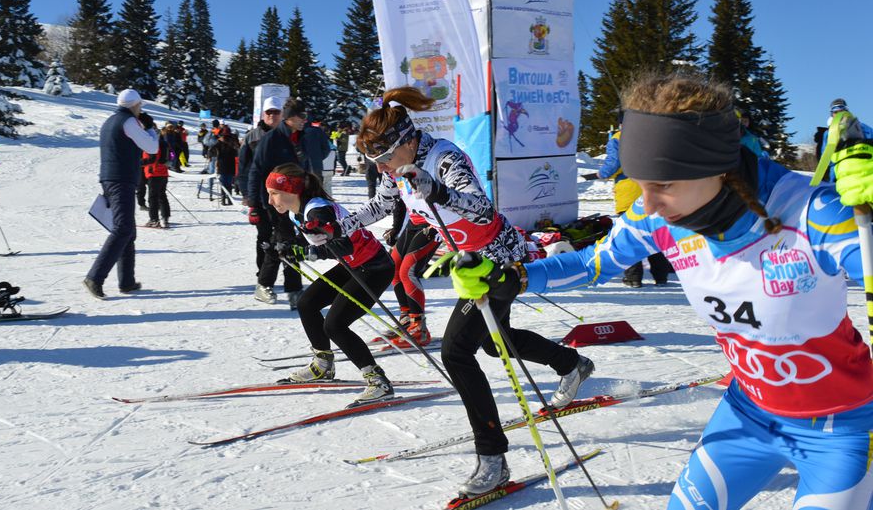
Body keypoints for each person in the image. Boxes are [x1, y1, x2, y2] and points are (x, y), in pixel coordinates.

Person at [451, 73, 873, 508]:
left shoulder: (813, 214)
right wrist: (513, 278)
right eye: (641, 182)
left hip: (841, 430)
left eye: (664, 185)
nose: (647, 204)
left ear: (718, 168)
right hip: (747, 415)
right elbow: (592, 262)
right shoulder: (657, 218)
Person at [339, 86, 594, 496]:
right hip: (470, 264)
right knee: (494, 343)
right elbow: (381, 206)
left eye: (386, 157)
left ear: (406, 140)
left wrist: (437, 190)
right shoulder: (394, 169)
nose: (384, 167)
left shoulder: (444, 158)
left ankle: (493, 458)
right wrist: (344, 224)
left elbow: (481, 208)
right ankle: (571, 364)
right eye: (377, 162)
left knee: (456, 352)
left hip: (496, 258)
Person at [266, 162, 396, 404]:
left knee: (335, 325)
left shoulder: (318, 211)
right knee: (308, 303)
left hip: (374, 268)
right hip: (355, 264)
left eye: (274, 194)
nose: (272, 201)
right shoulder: (302, 210)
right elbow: (312, 239)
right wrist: (285, 249)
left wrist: (304, 252)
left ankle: (378, 381)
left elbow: (342, 245)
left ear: (292, 191)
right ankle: (322, 364)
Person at [84, 89, 158, 299]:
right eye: (140, 106)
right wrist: (151, 129)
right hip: (121, 179)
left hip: (112, 177)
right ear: (135, 105)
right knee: (123, 229)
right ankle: (95, 277)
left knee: (128, 230)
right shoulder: (128, 122)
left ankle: (127, 281)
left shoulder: (111, 120)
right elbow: (151, 147)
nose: (141, 109)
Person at [586, 117, 673, 287]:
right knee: (654, 233)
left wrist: (602, 174)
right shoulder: (651, 135)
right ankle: (661, 275)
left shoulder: (618, 138)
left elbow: (614, 164)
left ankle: (633, 277)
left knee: (630, 235)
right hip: (653, 188)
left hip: (630, 191)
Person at [246, 97, 309, 308]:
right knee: (287, 242)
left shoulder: (297, 138)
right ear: (290, 118)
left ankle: (265, 286)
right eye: (301, 116)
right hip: (274, 201)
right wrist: (254, 204)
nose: (304, 120)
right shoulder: (272, 139)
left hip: (293, 200)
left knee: (281, 243)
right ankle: (293, 291)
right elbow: (256, 170)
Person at [381, 198, 439, 346]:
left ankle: (419, 328)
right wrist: (396, 228)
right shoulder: (392, 176)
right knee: (392, 268)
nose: (383, 172)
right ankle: (407, 319)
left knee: (408, 271)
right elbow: (398, 201)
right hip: (413, 222)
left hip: (433, 223)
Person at [819, 98, 873, 182]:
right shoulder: (829, 133)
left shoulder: (863, 128)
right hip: (841, 173)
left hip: (862, 169)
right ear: (832, 114)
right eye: (836, 112)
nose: (839, 115)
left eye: (841, 111)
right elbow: (826, 157)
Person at [144, 121, 174, 228]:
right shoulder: (164, 143)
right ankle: (165, 218)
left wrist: (138, 163)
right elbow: (172, 154)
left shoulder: (151, 144)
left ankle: (154, 219)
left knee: (153, 197)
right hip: (164, 172)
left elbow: (149, 159)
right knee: (162, 195)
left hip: (154, 173)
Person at [211, 126, 239, 206]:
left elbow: (211, 151)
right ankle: (229, 200)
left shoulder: (220, 142)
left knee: (223, 183)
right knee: (229, 183)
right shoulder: (233, 141)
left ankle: (224, 200)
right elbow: (237, 150)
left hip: (222, 164)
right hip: (231, 165)